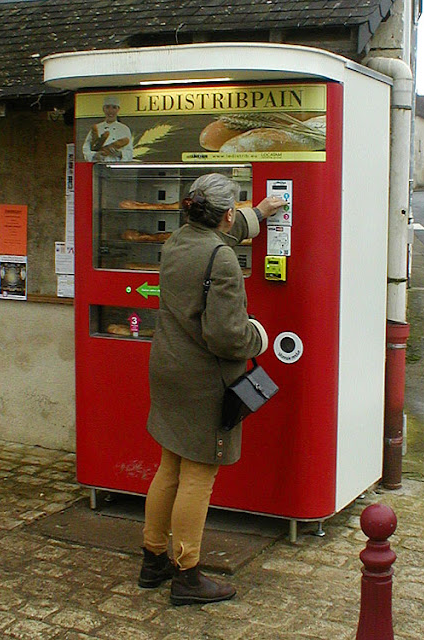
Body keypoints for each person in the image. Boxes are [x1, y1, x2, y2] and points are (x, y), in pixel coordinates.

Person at [138, 172, 284, 606]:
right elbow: (226, 337)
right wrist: (259, 336)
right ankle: (187, 575)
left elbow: (215, 237)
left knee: (170, 467)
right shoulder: (220, 258)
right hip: (204, 381)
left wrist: (257, 214)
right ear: (224, 213)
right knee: (199, 475)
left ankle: (153, 559)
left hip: (168, 369)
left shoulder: (178, 241)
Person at [82, 95, 133, 162]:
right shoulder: (97, 128)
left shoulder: (124, 129)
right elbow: (86, 148)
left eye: (114, 108)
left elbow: (130, 152)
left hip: (117, 166)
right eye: (107, 107)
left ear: (118, 110)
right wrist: (95, 155)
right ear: (103, 109)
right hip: (99, 166)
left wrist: (120, 154)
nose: (110, 111)